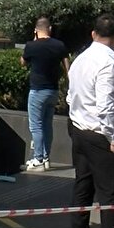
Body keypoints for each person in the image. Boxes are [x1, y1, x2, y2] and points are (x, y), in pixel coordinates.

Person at [66, 13, 114, 228]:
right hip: (99, 134)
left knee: (82, 189)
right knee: (111, 194)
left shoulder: (80, 59)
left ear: (94, 34)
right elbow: (105, 106)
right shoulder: (108, 65)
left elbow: (71, 96)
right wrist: (113, 137)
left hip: (80, 129)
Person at [20, 17, 68, 171]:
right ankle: (46, 157)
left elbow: (23, 63)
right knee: (47, 124)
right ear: (50, 29)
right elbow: (68, 67)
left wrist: (33, 40)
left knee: (36, 126)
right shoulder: (59, 45)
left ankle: (38, 158)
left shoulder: (31, 46)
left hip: (37, 90)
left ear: (35, 30)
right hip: (53, 90)